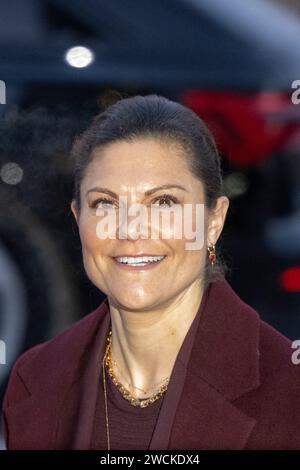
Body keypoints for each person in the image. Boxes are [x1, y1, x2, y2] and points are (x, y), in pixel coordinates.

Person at [1, 94, 300, 450]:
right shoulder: (33, 380)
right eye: (105, 204)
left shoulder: (288, 390)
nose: (130, 229)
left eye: (163, 202)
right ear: (78, 218)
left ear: (213, 221)